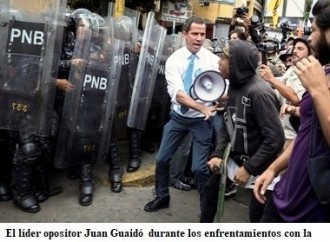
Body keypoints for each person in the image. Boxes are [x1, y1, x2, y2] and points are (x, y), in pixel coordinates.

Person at [253, 0, 330, 222]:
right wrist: (273, 168)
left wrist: (317, 90)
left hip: (313, 213)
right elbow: (308, 133)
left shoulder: (318, 82)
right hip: (284, 198)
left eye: (314, 31)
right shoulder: (323, 71)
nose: (310, 38)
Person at [144, 16, 219, 213]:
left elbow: (224, 87)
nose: (199, 38)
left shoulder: (213, 60)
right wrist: (202, 107)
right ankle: (162, 197)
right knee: (161, 160)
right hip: (178, 117)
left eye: (203, 34)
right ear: (185, 35)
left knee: (199, 169)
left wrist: (221, 101)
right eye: (195, 34)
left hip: (201, 122)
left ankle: (206, 210)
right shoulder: (174, 60)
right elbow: (178, 95)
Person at [207, 40, 284, 222]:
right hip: (237, 159)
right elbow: (228, 122)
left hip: (262, 167)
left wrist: (249, 168)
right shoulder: (234, 85)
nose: (219, 62)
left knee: (259, 218)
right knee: (209, 193)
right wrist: (218, 153)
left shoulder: (259, 93)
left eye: (223, 58)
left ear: (236, 64)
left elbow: (275, 139)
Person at [259, 37, 311, 149]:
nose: (295, 51)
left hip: (294, 134)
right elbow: (277, 90)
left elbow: (296, 99)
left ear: (310, 53)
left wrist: (272, 79)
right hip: (281, 132)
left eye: (300, 48)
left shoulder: (309, 73)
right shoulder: (292, 70)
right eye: (295, 48)